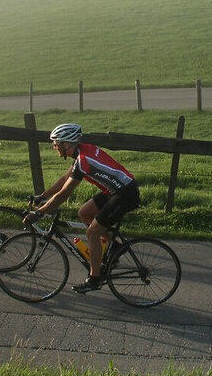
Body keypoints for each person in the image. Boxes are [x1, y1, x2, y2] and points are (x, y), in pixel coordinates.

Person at [27, 123, 138, 293]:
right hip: (116, 190)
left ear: (67, 144)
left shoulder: (84, 161)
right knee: (84, 213)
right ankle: (115, 247)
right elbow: (65, 178)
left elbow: (64, 194)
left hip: (125, 194)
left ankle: (94, 279)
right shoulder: (82, 152)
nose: (54, 147)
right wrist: (43, 196)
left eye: (56, 144)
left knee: (92, 232)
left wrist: (40, 213)